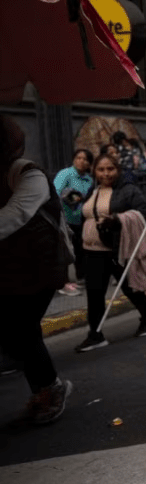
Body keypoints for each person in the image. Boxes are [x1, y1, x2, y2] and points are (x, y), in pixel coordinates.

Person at [0, 116, 73, 424]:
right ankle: (44, 387)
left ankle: (50, 388)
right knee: (15, 331)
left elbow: (15, 215)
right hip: (8, 272)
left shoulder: (29, 174)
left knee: (23, 328)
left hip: (39, 269)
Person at [74, 153, 146, 352]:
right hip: (91, 251)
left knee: (130, 287)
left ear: (118, 170)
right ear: (94, 171)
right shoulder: (92, 190)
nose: (106, 173)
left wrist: (118, 219)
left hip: (116, 250)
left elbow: (145, 212)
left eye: (110, 169)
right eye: (101, 169)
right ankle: (95, 334)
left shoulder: (128, 190)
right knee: (94, 293)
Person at [53, 148, 94, 295]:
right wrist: (73, 198)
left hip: (81, 219)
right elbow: (55, 193)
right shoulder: (66, 174)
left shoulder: (89, 179)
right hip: (65, 219)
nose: (81, 161)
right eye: (79, 158)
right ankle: (62, 283)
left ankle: (81, 277)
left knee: (81, 250)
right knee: (65, 251)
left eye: (85, 159)